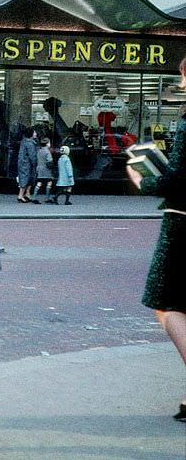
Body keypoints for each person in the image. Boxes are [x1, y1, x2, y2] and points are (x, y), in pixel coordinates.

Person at [126, 57, 186, 421]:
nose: (182, 85)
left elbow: (178, 178)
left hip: (182, 224)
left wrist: (142, 180)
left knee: (165, 303)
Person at [17, 127, 37, 203]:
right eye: (34, 132)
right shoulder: (30, 143)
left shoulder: (24, 142)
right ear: (31, 134)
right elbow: (32, 156)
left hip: (23, 163)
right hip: (27, 164)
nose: (36, 134)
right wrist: (35, 163)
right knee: (25, 178)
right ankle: (20, 195)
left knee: (29, 179)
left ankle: (27, 194)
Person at [32, 137, 56, 204]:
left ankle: (34, 197)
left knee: (39, 183)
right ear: (47, 144)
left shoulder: (39, 150)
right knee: (49, 182)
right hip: (46, 169)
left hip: (39, 168)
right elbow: (49, 161)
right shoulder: (47, 152)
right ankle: (47, 198)